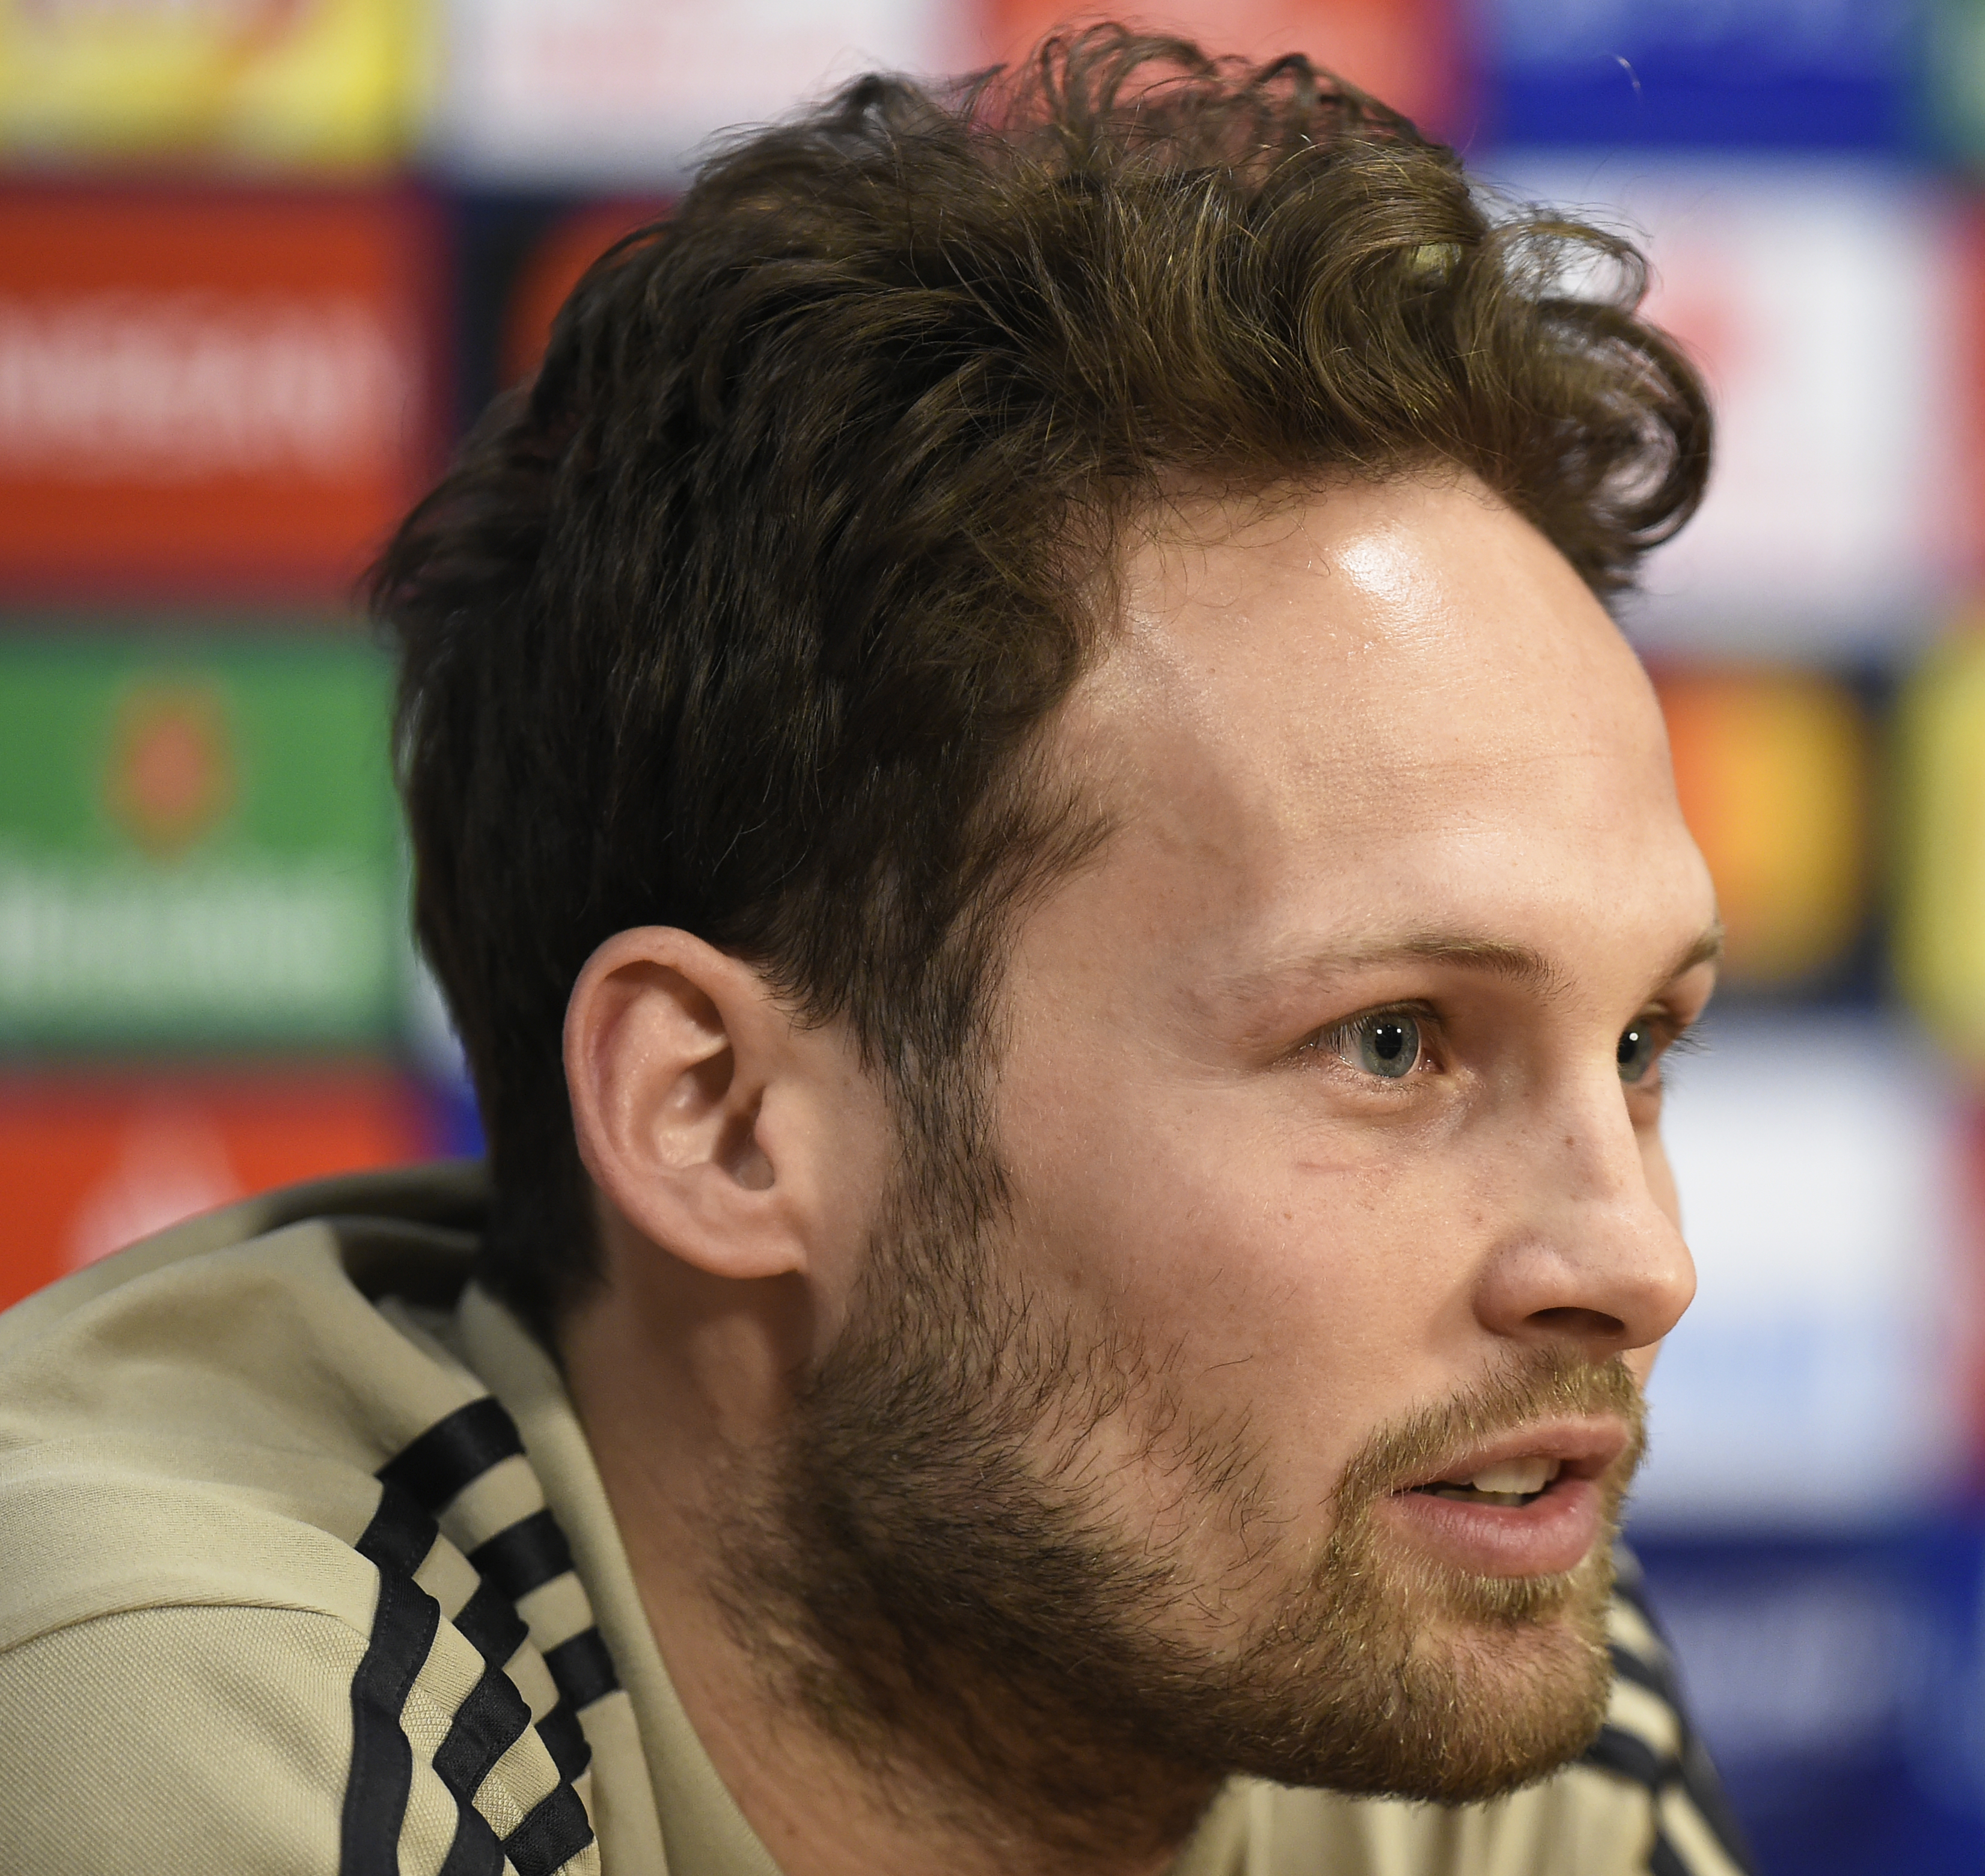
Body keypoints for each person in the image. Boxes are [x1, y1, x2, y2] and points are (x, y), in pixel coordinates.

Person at [0, 28, 1752, 1876]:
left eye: (1641, 1044)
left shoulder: (1412, 1622)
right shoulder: (195, 1716)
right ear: (722, 1114)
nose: (1637, 1263)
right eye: (1393, 1040)